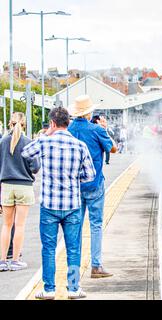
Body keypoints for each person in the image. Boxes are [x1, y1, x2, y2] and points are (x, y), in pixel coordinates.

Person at [22, 107, 96, 300]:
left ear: (52, 123)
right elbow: (90, 175)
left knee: (48, 248)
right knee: (73, 248)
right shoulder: (80, 145)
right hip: (72, 206)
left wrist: (46, 134)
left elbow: (25, 152)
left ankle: (49, 290)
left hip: (49, 206)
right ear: (68, 123)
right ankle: (73, 289)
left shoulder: (45, 142)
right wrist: (73, 178)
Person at [68, 95, 117, 278]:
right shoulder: (97, 129)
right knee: (95, 225)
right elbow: (113, 149)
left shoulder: (69, 129)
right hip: (94, 183)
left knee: (76, 225)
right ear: (89, 112)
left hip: (73, 185)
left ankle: (74, 267)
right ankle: (96, 266)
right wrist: (105, 130)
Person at [0, 113, 40, 271]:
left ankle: (2, 261)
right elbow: (36, 167)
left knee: (6, 225)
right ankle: (16, 261)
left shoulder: (2, 142)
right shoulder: (29, 142)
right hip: (24, 186)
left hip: (6, 186)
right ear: (24, 125)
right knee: (20, 225)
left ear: (10, 123)